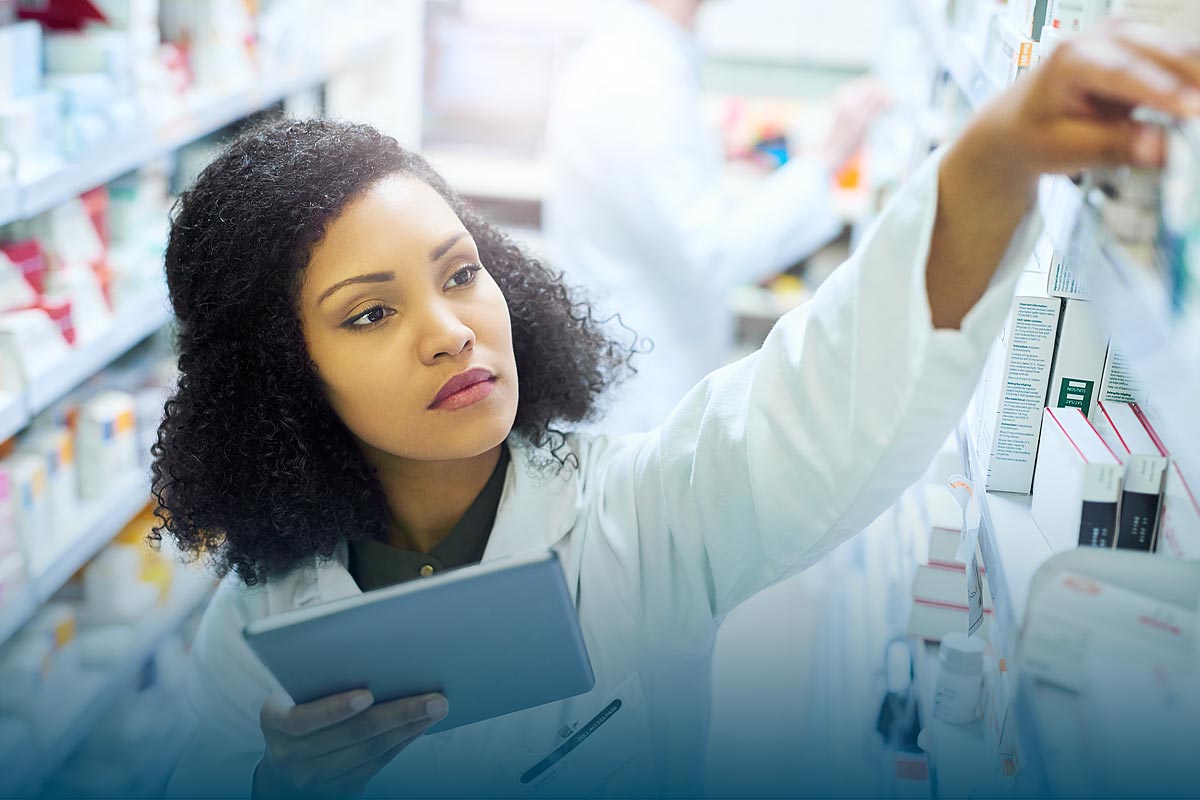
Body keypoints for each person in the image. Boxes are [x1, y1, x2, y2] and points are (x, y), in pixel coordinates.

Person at [159, 21, 1198, 798]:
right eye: (371, 311)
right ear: (283, 379)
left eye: (462, 272)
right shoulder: (251, 633)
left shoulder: (641, 514)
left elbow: (835, 382)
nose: (450, 329)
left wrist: (997, 155)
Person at [544, 0, 889, 433]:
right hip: (641, 392)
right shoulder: (635, 77)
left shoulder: (646, 58)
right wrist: (826, 158)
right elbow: (709, 253)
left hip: (648, 367)